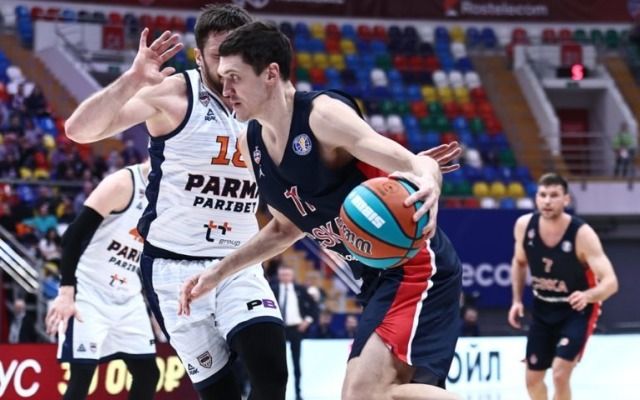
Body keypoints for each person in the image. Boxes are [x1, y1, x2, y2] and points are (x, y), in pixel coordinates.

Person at [179, 22, 463, 400]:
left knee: (364, 395)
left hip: (414, 266)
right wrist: (218, 272)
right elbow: (285, 228)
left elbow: (413, 162)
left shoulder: (322, 116)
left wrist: (430, 181)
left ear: (270, 74)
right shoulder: (251, 142)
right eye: (222, 77)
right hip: (375, 276)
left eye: (234, 78)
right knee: (380, 394)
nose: (225, 89)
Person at [64, 5, 287, 399]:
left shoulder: (268, 100)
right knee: (222, 394)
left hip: (238, 262)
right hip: (173, 268)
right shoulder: (172, 96)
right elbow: (79, 130)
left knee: (271, 374)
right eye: (218, 56)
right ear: (199, 56)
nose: (227, 68)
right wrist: (132, 80)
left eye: (237, 55)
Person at [44, 162, 158, 400]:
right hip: (88, 290)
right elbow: (72, 236)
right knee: (82, 374)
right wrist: (66, 293)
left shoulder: (174, 193)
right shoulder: (123, 183)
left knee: (148, 374)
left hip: (128, 295)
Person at [508, 172, 618, 400]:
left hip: (576, 310)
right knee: (532, 380)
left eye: (554, 195)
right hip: (543, 307)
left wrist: (588, 296)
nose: (547, 201)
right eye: (543, 195)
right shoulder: (524, 226)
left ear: (566, 199)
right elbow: (519, 262)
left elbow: (611, 282)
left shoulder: (582, 234)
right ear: (536, 198)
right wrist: (516, 300)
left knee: (559, 374)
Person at [271, 264, 319, 400]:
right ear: (278, 276)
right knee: (275, 361)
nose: (285, 277)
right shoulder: (272, 289)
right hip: (278, 328)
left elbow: (314, 307)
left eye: (287, 274)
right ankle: (275, 393)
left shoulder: (300, 290)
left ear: (292, 276)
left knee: (296, 362)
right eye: (282, 275)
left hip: (295, 328)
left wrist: (307, 321)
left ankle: (298, 393)